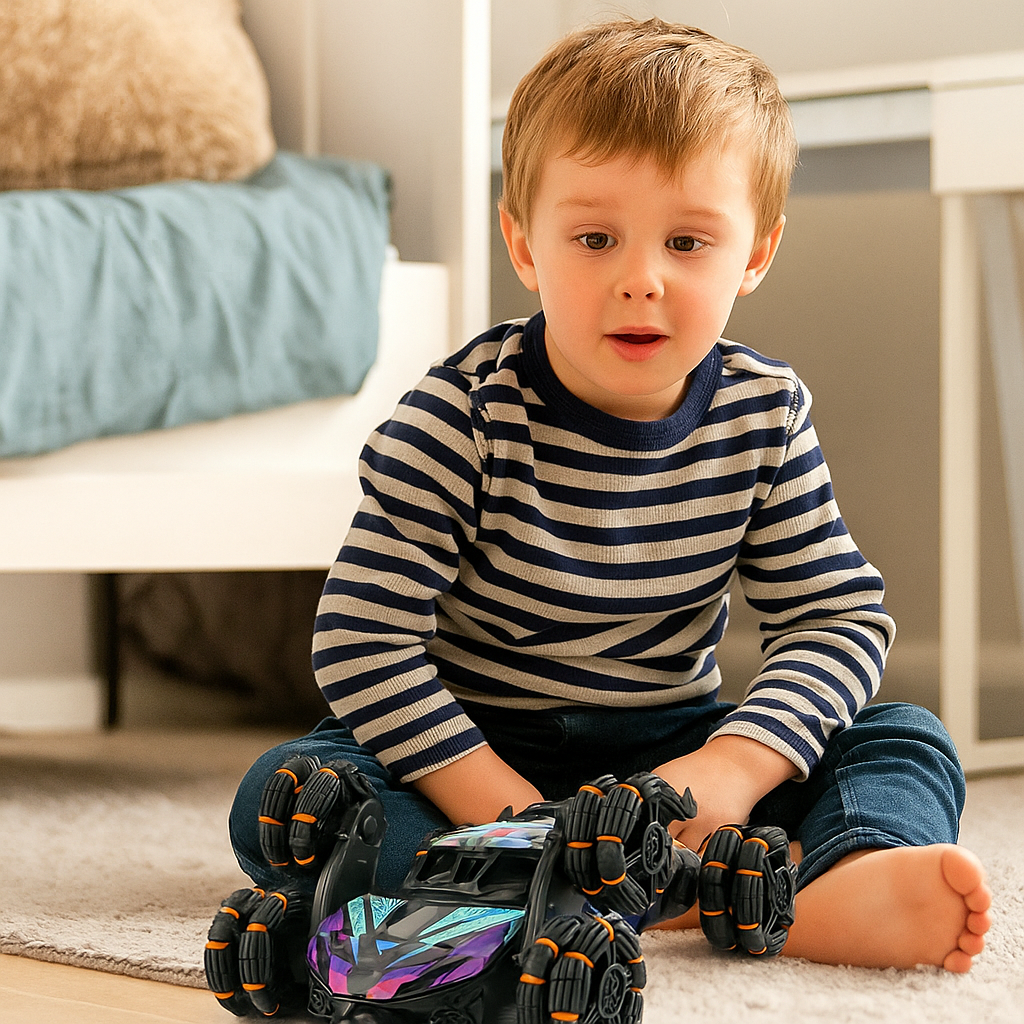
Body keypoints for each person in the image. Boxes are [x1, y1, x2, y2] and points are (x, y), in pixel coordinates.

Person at [228, 17, 991, 973]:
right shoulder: (459, 416)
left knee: (902, 739)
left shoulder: (764, 414)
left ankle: (829, 882)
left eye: (688, 241)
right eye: (595, 238)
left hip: (667, 761)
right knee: (290, 794)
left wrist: (732, 768)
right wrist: (513, 815)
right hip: (469, 747)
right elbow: (361, 641)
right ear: (524, 242)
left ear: (755, 254)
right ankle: (692, 897)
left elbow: (834, 619)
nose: (641, 280)